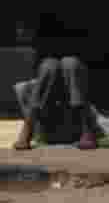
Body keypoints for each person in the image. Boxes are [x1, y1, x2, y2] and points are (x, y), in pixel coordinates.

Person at [10, 14, 98, 150]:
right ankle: (27, 128)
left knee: (70, 63)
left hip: (74, 122)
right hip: (46, 122)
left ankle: (87, 130)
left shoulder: (72, 61)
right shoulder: (37, 57)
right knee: (50, 66)